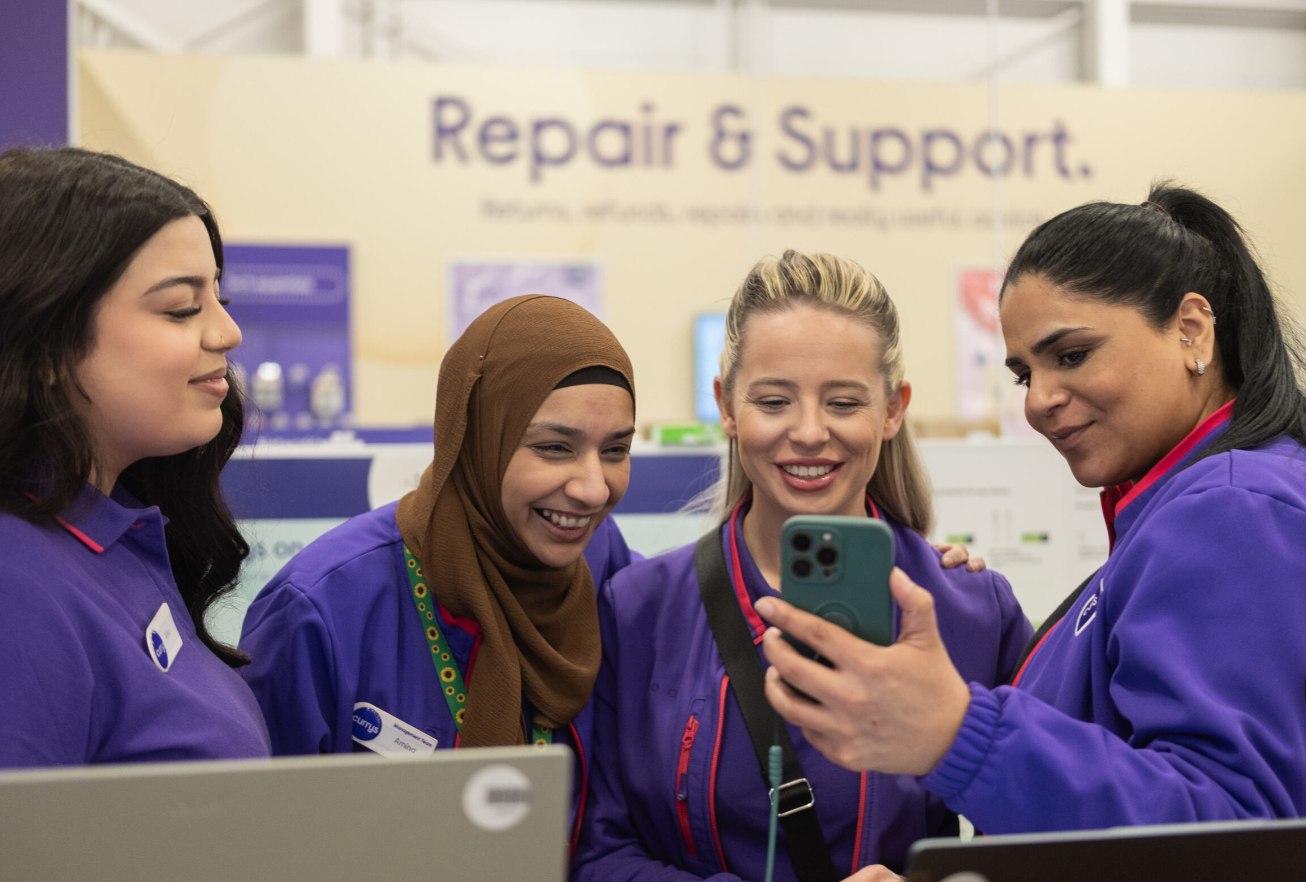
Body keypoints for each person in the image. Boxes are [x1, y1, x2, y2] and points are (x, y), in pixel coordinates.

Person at [758, 185, 1306, 843]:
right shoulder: (1176, 511)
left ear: (1191, 330)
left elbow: (1232, 837)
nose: (1039, 401)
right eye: (1024, 374)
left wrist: (956, 733)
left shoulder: (1229, 509)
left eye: (1072, 355)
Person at [573, 250, 1032, 881]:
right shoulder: (638, 611)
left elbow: (1039, 837)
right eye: (774, 401)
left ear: (892, 410)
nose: (810, 431)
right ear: (727, 406)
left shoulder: (973, 611)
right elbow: (598, 853)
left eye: (843, 403)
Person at [239, 294, 638, 853]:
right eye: (554, 448)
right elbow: (259, 842)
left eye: (616, 449)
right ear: (474, 438)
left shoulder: (601, 567)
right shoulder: (320, 610)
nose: (594, 489)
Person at [0, 147, 269, 766]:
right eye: (181, 308)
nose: (227, 333)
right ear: (44, 341)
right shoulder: (15, 585)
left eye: (219, 298)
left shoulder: (117, 528)